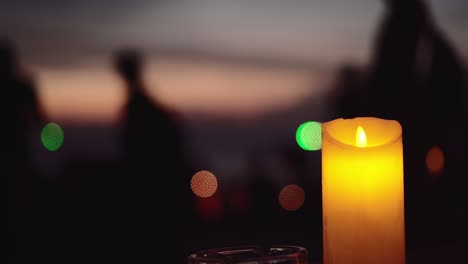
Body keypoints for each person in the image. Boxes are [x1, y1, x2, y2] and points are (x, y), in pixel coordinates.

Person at [115, 49, 193, 263]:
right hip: (158, 183)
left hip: (151, 184)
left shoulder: (139, 106)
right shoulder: (144, 104)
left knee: (158, 241)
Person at [2, 38, 43, 263]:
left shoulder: (24, 86)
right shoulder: (24, 86)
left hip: (16, 153)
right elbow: (39, 118)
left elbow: (37, 118)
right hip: (17, 153)